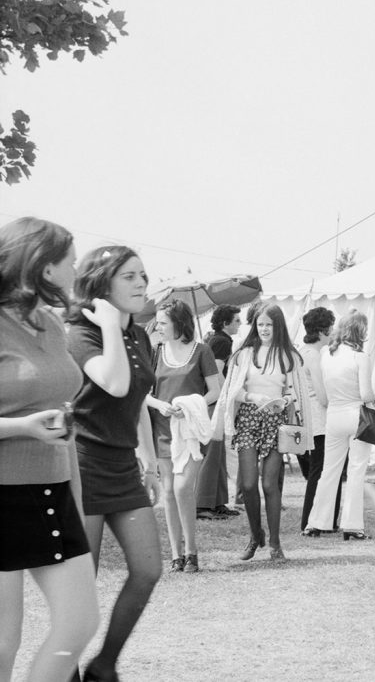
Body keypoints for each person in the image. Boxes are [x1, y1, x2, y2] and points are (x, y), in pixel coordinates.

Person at [0, 218, 99, 682]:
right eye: (70, 260)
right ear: (42, 266)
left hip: (53, 492)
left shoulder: (53, 325)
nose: (77, 267)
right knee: (2, 642)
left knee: (79, 623)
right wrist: (24, 427)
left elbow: (61, 413)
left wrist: (74, 496)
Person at [66, 245, 163, 681]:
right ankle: (62, 667)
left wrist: (151, 461)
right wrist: (108, 325)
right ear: (102, 282)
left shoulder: (139, 334)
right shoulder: (81, 332)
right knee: (79, 590)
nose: (141, 283)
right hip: (82, 465)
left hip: (123, 467)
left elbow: (137, 400)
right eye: (128, 276)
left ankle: (104, 665)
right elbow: (115, 383)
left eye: (142, 274)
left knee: (147, 571)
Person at [212, 303, 313, 562]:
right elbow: (232, 390)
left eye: (269, 324)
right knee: (247, 484)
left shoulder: (289, 356)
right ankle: (256, 536)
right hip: (248, 419)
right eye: (260, 324)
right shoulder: (243, 354)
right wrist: (252, 396)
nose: (264, 329)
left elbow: (296, 392)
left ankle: (276, 544)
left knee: (270, 484)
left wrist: (286, 401)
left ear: (277, 326)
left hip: (276, 422)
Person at [145, 300, 221, 573]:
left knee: (181, 488)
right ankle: (177, 555)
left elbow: (215, 390)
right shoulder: (154, 353)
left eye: (163, 322)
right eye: (157, 322)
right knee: (167, 491)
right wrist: (161, 406)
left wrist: (190, 404)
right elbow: (144, 394)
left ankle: (192, 551)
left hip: (189, 432)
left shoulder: (202, 351)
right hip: (162, 431)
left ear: (179, 322)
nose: (158, 327)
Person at [303, 310, 375, 540]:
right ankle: (352, 525)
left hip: (334, 415)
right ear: (361, 331)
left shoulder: (326, 354)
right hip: (356, 414)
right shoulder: (360, 357)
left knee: (329, 471)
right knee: (355, 470)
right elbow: (366, 393)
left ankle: (316, 522)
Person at [195, 303, 242, 519]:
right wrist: (227, 394)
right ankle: (204, 504)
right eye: (236, 321)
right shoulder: (222, 341)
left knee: (219, 453)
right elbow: (216, 369)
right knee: (213, 453)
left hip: (213, 401)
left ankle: (218, 501)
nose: (239, 324)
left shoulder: (216, 339)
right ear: (225, 323)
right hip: (216, 402)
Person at [297, 307, 341, 533]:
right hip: (319, 420)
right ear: (323, 330)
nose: (333, 331)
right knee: (321, 471)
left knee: (319, 471)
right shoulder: (313, 355)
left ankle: (319, 519)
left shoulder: (303, 352)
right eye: (331, 327)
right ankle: (313, 520)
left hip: (309, 418)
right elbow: (322, 395)